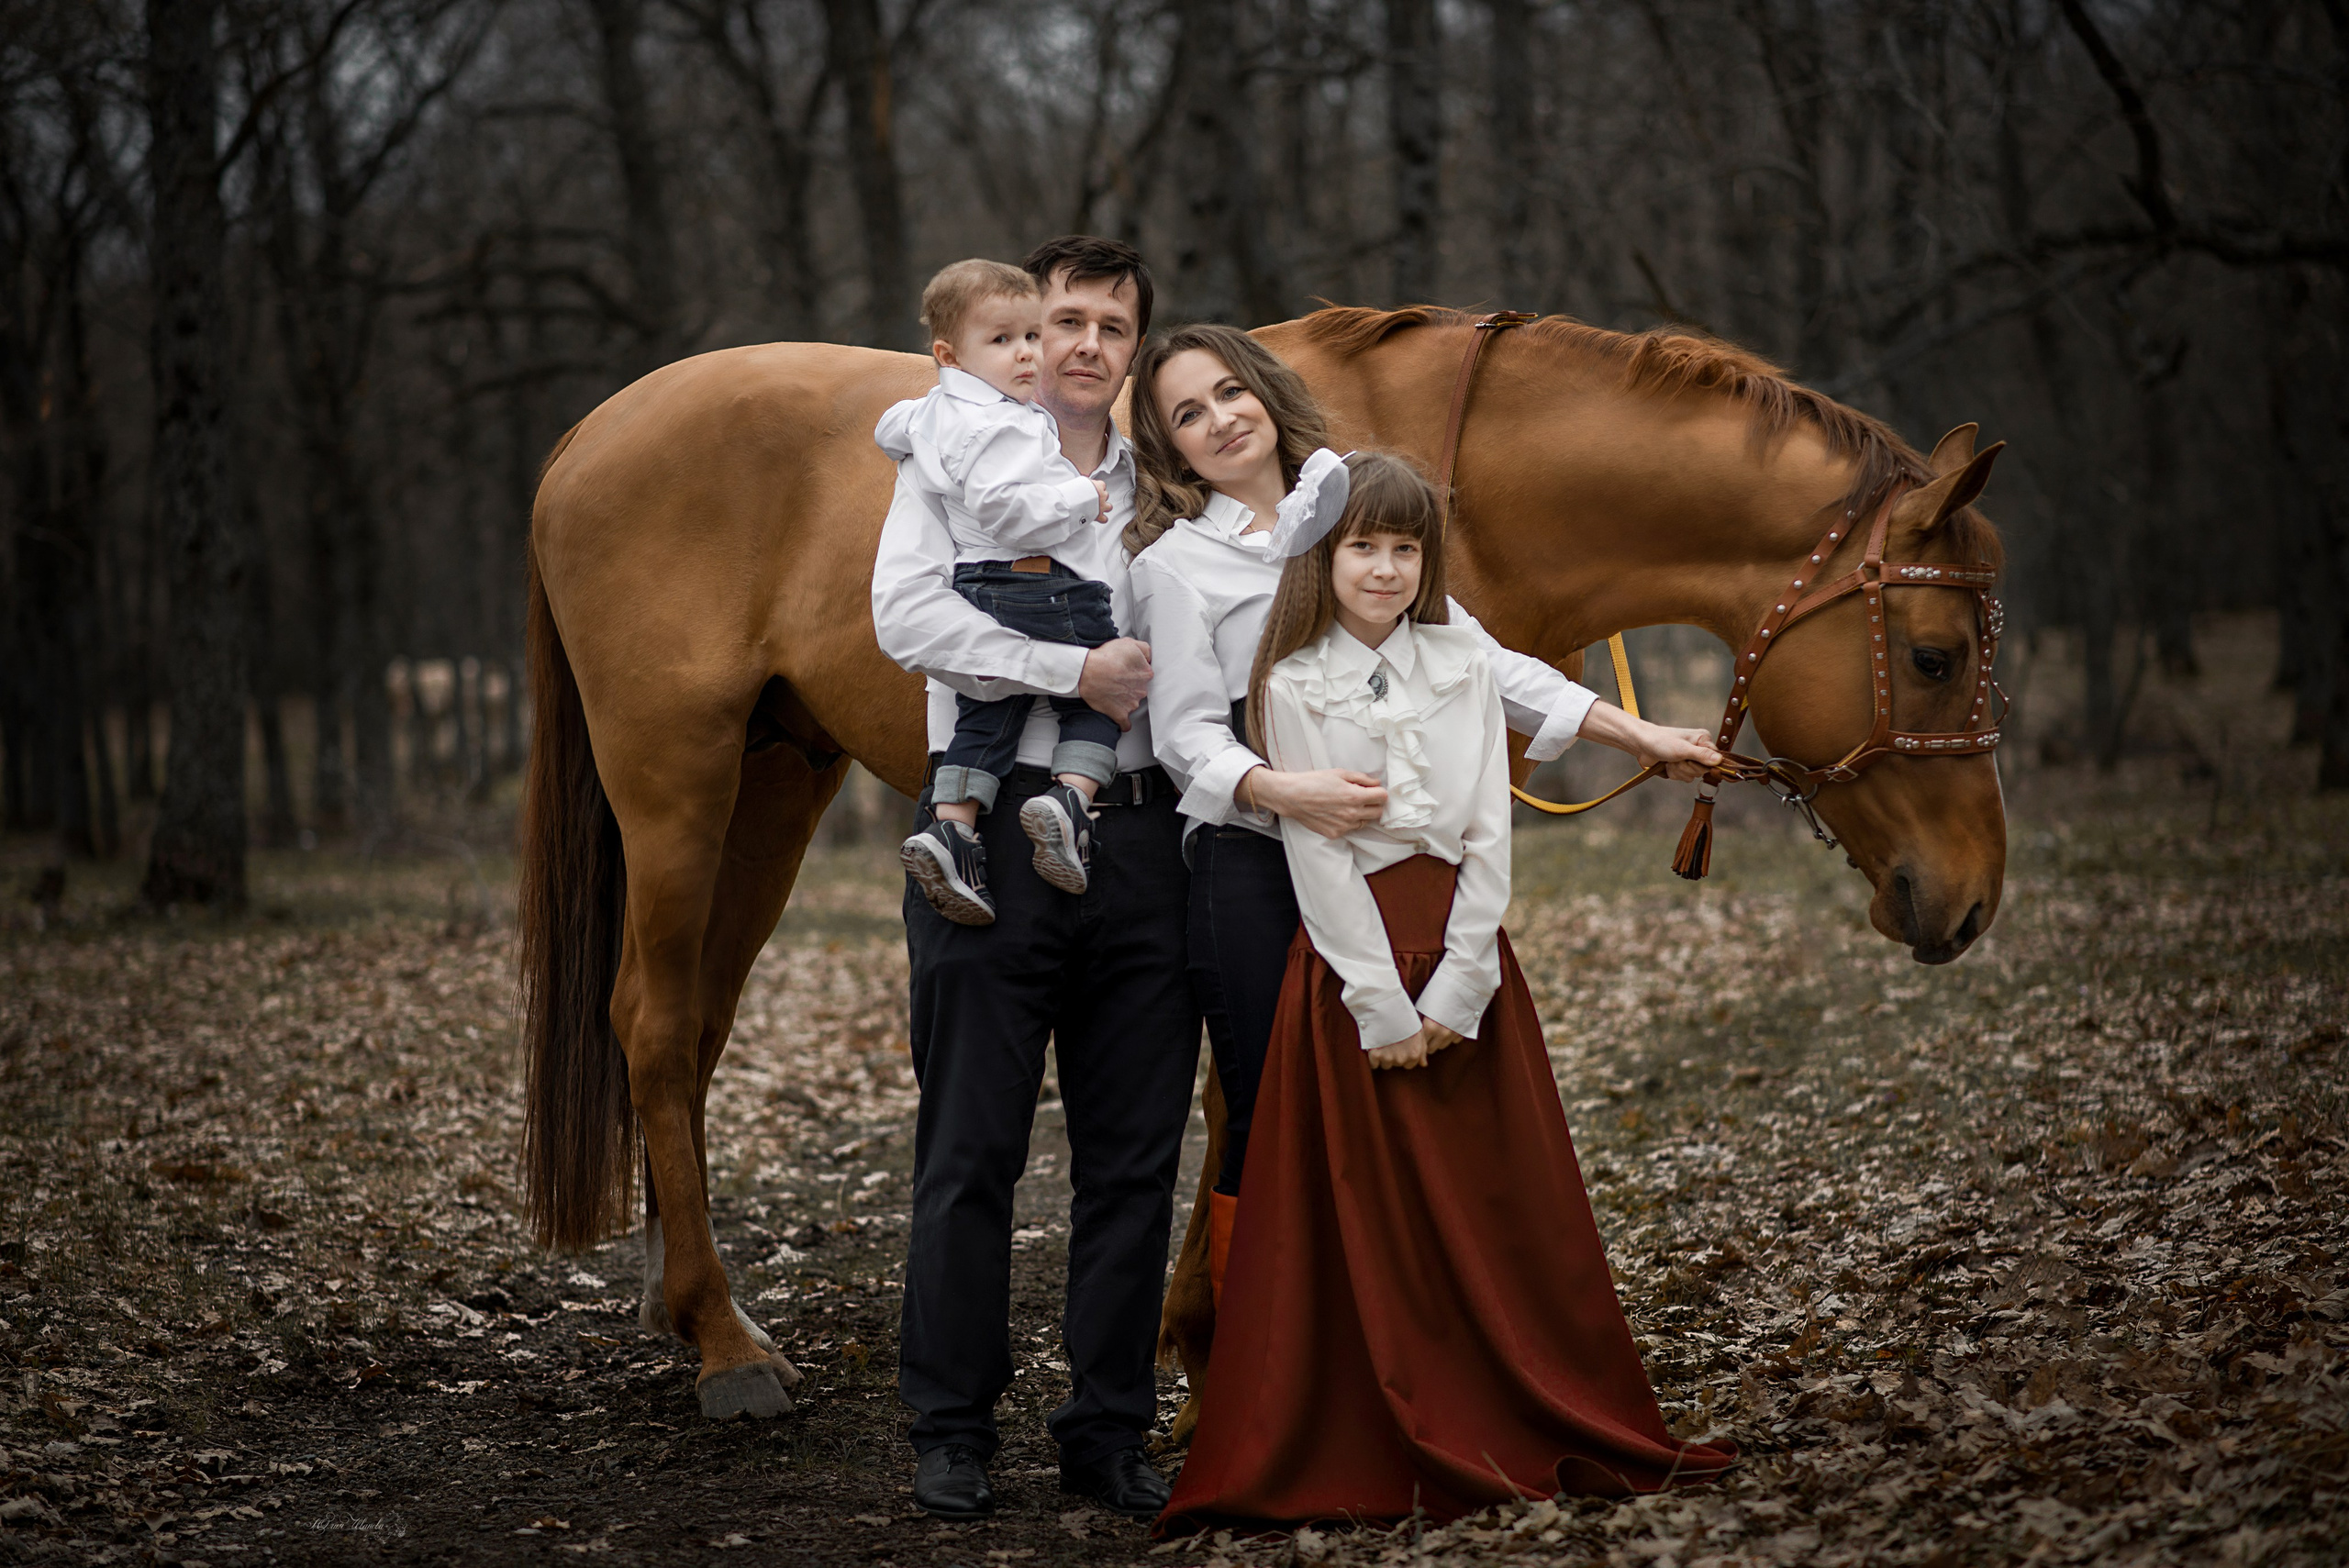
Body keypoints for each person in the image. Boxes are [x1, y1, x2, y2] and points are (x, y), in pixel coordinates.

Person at [1156, 451, 1738, 1530]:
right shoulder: (1286, 683)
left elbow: (1486, 826)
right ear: (1323, 560)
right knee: (1363, 1197)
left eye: (1404, 548)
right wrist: (1380, 1006)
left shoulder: (1461, 659)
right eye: (1362, 548)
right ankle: (1361, 1411)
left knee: (1490, 1198)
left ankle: (1509, 1391)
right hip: (1350, 966)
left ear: (1427, 562)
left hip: (1460, 952)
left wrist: (1461, 984)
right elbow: (1315, 857)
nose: (1383, 568)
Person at [1123, 323, 1721, 1304]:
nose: (1220, 419)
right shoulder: (1177, 566)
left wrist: (1636, 733)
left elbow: (1478, 659)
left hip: (1389, 859)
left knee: (1389, 1103)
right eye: (1186, 413)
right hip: (1257, 858)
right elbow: (1185, 731)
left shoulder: (1361, 497)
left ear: (1265, 391)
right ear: (1168, 446)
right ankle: (1244, 1365)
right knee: (1269, 1114)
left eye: (1229, 391)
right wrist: (1283, 790)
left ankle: (1396, 1343)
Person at [868, 236, 1184, 1523]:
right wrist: (1073, 676)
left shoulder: (1168, 484)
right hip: (988, 835)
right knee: (969, 1152)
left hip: (1144, 842)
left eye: (1114, 324)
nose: (1088, 344)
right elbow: (909, 619)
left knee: (1132, 1164)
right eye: (1065, 320)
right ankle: (952, 1428)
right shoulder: (957, 452)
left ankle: (1107, 1431)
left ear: (1134, 346)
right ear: (1025, 337)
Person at [881, 260, 1121, 925]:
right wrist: (1083, 496)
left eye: (1029, 336)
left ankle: (953, 827)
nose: (1026, 354)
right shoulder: (1008, 423)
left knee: (986, 709)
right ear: (949, 355)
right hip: (1041, 581)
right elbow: (1005, 510)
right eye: (1004, 340)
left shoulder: (933, 414)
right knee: (1106, 689)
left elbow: (889, 429)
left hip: (978, 588)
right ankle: (1071, 799)